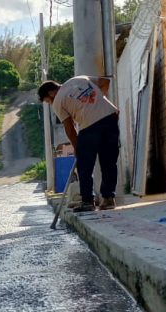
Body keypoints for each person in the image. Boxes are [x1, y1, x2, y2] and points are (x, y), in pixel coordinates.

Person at [38, 76, 120, 211]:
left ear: (51, 93)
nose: (50, 103)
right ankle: (108, 199)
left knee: (85, 165)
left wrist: (76, 147)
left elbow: (69, 128)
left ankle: (87, 201)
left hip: (89, 126)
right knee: (109, 161)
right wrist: (97, 103)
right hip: (110, 117)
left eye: (48, 101)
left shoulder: (58, 101)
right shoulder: (79, 79)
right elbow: (105, 82)